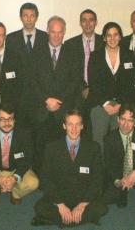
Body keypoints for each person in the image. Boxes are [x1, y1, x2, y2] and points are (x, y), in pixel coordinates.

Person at [32, 110, 108, 227]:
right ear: (64, 126)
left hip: (83, 195)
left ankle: (61, 221)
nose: (74, 129)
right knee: (39, 207)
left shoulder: (93, 147)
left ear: (82, 126)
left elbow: (98, 179)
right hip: (60, 195)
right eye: (70, 124)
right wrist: (60, 205)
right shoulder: (51, 148)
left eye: (77, 124)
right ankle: (78, 219)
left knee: (102, 208)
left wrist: (82, 204)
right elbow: (45, 178)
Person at [31, 16, 80, 174]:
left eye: (60, 32)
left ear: (64, 32)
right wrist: (46, 99)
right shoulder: (36, 52)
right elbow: (32, 81)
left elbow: (74, 82)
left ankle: (60, 177)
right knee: (40, 147)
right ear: (47, 31)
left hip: (63, 110)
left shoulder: (72, 53)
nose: (57, 36)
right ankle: (39, 177)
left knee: (61, 149)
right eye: (53, 32)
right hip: (41, 109)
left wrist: (58, 101)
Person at [102, 103, 135, 222]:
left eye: (130, 121)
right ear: (118, 119)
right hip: (120, 174)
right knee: (104, 197)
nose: (126, 125)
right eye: (123, 119)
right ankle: (123, 191)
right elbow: (108, 165)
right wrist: (119, 181)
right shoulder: (109, 138)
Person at [88, 22, 135, 153]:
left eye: (116, 35)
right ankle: (99, 171)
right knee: (99, 141)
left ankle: (120, 171)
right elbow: (93, 83)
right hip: (100, 104)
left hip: (122, 105)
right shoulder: (95, 56)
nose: (112, 38)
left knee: (121, 141)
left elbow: (130, 82)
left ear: (120, 37)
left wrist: (120, 104)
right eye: (108, 35)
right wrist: (104, 104)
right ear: (104, 38)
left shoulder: (129, 55)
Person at [6, 2, 48, 129]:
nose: (29, 19)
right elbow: (8, 67)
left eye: (32, 15)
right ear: (20, 17)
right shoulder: (11, 38)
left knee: (39, 132)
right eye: (25, 15)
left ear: (36, 17)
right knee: (21, 132)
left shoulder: (45, 37)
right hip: (19, 96)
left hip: (41, 96)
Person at [64, 9, 103, 135]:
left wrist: (93, 89)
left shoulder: (104, 42)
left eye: (91, 20)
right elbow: (70, 71)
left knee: (97, 132)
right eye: (84, 20)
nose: (87, 23)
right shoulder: (70, 44)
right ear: (80, 23)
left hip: (99, 95)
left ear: (96, 22)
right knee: (77, 132)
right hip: (77, 95)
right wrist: (84, 87)